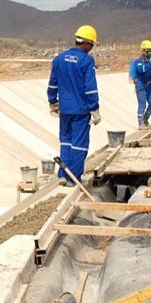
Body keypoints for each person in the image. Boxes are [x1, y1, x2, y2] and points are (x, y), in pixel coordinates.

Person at [47, 25, 100, 186]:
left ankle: (63, 174)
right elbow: (90, 88)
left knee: (66, 140)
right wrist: (95, 108)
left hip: (65, 109)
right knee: (79, 144)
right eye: (91, 45)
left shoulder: (59, 58)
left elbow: (53, 84)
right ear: (86, 43)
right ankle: (74, 177)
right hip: (81, 110)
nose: (91, 49)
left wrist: (52, 101)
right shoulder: (86, 61)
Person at [130, 40, 151, 128]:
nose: (150, 53)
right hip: (141, 87)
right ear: (143, 51)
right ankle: (141, 123)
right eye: (148, 51)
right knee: (142, 105)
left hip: (150, 87)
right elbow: (141, 70)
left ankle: (145, 120)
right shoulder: (139, 62)